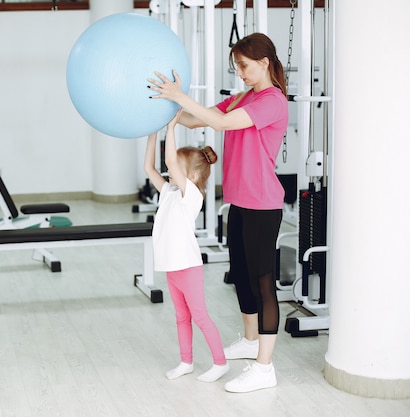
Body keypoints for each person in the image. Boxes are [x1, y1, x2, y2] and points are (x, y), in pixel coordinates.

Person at [147, 32, 289, 393]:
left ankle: (265, 366)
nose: (239, 73)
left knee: (262, 282)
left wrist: (180, 96)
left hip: (263, 203)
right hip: (239, 201)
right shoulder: (244, 97)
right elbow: (204, 120)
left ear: (264, 62)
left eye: (243, 65)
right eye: (236, 67)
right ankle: (250, 339)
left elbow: (223, 124)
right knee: (240, 274)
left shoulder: (272, 101)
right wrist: (169, 115)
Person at [145, 110, 228, 383]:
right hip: (172, 266)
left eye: (176, 169)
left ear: (192, 175)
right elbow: (149, 168)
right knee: (181, 317)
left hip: (188, 267)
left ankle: (220, 363)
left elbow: (169, 159)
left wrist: (171, 128)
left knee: (200, 317)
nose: (170, 171)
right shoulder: (169, 192)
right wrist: (152, 130)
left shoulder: (191, 195)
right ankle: (186, 362)